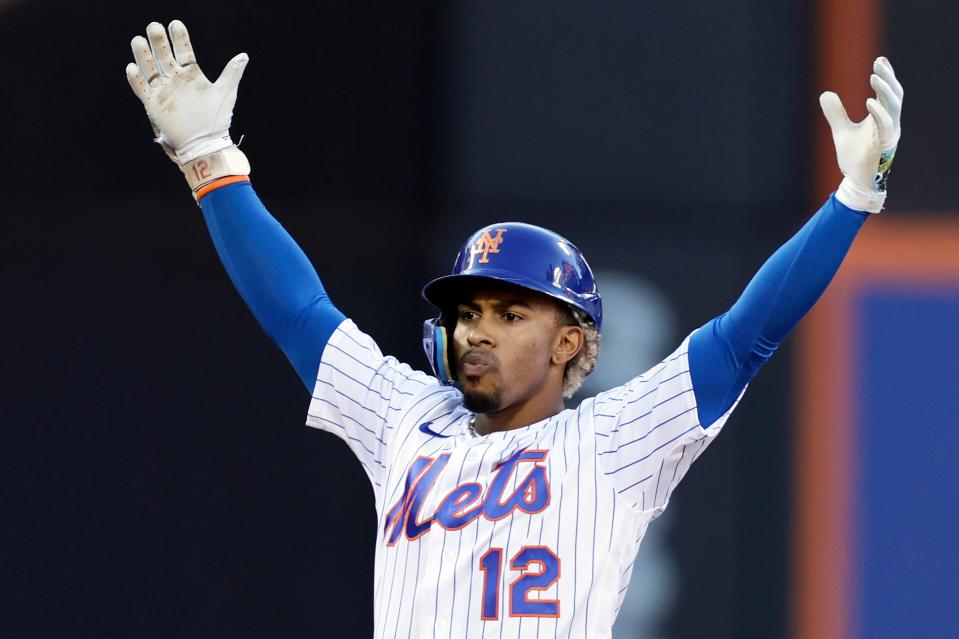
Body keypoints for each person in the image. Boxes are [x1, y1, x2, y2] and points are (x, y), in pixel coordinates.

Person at [126, 20, 903, 638]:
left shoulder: (613, 441)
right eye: (465, 312)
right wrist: (209, 160)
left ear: (571, 340)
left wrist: (850, 200)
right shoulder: (407, 418)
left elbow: (743, 337)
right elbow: (299, 312)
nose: (475, 330)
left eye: (508, 312)